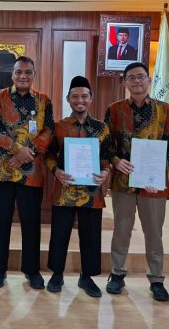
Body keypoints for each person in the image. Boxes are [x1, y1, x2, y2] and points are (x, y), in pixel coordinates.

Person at [104, 62, 169, 301]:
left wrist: (156, 172)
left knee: (154, 232)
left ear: (149, 80)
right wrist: (116, 161)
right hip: (123, 182)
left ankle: (156, 279)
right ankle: (117, 273)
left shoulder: (165, 110)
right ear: (124, 82)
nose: (137, 81)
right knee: (122, 229)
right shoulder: (114, 110)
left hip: (153, 185)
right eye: (131, 77)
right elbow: (106, 143)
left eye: (141, 77)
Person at [0, 56, 54, 288]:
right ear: (12, 75)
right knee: (1, 221)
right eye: (19, 72)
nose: (23, 76)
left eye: (27, 72)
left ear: (34, 75)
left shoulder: (44, 100)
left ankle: (32, 270)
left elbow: (49, 130)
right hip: (3, 171)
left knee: (31, 222)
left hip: (32, 171)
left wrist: (28, 153)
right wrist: (17, 151)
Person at [45, 76, 113, 297]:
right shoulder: (59, 127)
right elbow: (49, 155)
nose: (79, 100)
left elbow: (107, 157)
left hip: (92, 192)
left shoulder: (102, 128)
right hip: (65, 190)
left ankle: (87, 277)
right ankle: (57, 274)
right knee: (60, 233)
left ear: (91, 98)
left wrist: (105, 172)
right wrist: (56, 171)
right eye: (75, 96)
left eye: (84, 96)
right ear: (68, 99)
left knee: (91, 235)